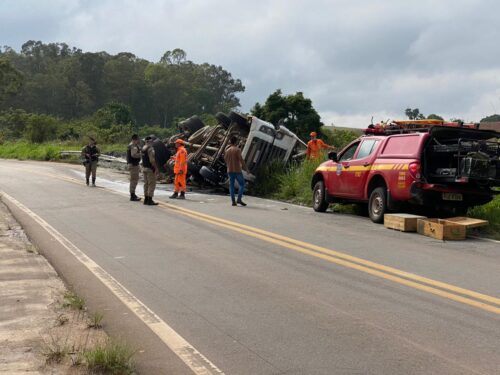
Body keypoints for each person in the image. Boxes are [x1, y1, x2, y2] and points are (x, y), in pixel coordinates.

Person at [224, 135, 250, 206]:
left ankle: (233, 201)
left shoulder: (227, 150)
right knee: (242, 184)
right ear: (236, 142)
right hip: (237, 170)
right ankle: (239, 199)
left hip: (230, 170)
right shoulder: (237, 150)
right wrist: (246, 169)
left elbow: (225, 160)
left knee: (231, 186)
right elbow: (241, 160)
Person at [142, 135, 160, 205]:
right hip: (150, 169)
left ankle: (146, 199)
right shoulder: (150, 149)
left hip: (144, 168)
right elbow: (152, 160)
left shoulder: (143, 148)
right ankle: (150, 200)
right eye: (151, 141)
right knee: (151, 184)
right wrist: (156, 168)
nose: (152, 142)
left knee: (146, 184)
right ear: (150, 141)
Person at [127, 134, 142, 201]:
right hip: (133, 165)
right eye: (137, 139)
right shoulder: (133, 146)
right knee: (134, 180)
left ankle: (133, 194)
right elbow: (133, 155)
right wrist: (141, 154)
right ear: (134, 140)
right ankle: (132, 195)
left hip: (133, 164)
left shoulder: (132, 145)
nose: (138, 141)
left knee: (133, 180)